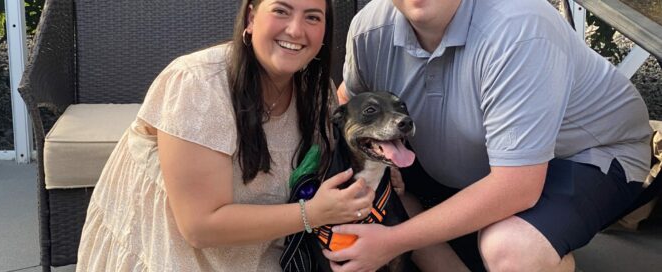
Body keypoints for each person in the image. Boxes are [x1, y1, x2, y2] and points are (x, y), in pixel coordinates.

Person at [324, 0, 656, 271]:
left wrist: (391, 242)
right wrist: (384, 157)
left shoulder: (518, 27)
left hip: (584, 154)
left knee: (511, 248)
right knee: (398, 198)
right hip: (479, 160)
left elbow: (517, 187)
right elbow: (349, 101)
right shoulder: (370, 29)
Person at [75, 0, 376, 271]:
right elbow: (199, 227)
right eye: (281, 11)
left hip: (267, 250)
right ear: (251, 17)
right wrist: (311, 213)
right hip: (177, 254)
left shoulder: (316, 93)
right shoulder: (199, 86)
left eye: (312, 17)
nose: (296, 30)